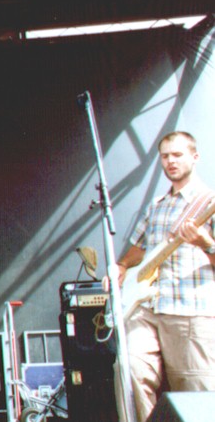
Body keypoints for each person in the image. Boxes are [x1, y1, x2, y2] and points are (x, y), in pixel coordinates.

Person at [115, 131, 215, 421]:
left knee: (195, 393)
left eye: (178, 155)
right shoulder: (157, 205)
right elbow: (138, 250)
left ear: (195, 157)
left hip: (189, 311)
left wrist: (205, 243)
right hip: (148, 308)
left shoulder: (209, 202)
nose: (171, 161)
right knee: (129, 370)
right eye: (165, 156)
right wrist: (122, 266)